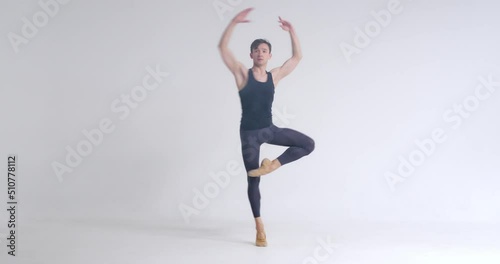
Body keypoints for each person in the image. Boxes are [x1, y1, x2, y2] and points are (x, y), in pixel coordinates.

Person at [218, 7, 315, 247]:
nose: (260, 53)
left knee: (308, 144)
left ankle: (272, 166)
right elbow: (223, 49)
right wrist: (233, 22)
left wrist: (292, 31)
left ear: (269, 56)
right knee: (252, 180)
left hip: (268, 130)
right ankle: (259, 226)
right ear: (251, 54)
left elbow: (297, 58)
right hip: (249, 135)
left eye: (265, 50)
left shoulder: (275, 76)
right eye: (257, 50)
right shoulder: (242, 74)